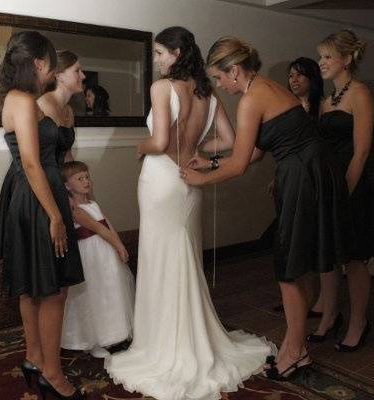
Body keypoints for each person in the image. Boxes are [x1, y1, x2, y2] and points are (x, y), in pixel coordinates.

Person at [104, 27, 274, 400]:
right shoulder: (207, 91)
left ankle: (163, 344)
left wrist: (139, 146)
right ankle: (190, 337)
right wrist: (203, 153)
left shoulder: (162, 89)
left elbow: (161, 141)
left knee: (161, 257)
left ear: (178, 52)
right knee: (183, 256)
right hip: (190, 183)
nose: (157, 60)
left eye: (161, 53)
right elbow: (229, 142)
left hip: (161, 180)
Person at [182, 36, 351, 381]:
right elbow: (256, 152)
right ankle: (296, 346)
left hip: (303, 175)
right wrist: (211, 161)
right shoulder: (265, 88)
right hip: (311, 171)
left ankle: (293, 350)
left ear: (234, 70)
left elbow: (242, 164)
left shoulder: (251, 100)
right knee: (299, 264)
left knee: (289, 267)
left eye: (219, 77)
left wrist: (199, 180)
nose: (219, 85)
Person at [0, 31, 86, 399]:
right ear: (37, 64)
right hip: (37, 198)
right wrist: (56, 216)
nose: (51, 72)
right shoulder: (20, 99)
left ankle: (34, 357)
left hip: (34, 194)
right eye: (50, 64)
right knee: (53, 290)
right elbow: (32, 162)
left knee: (34, 284)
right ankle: (52, 372)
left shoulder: (23, 99)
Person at [307, 30, 374, 352]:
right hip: (327, 184)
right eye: (320, 56)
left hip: (352, 186)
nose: (321, 62)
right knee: (329, 256)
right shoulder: (323, 101)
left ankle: (358, 322)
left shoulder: (360, 93)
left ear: (347, 59)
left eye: (328, 57)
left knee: (355, 258)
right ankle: (329, 316)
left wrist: (343, 193)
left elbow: (361, 152)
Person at [0, 50, 83, 259]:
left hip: (55, 182)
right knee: (40, 264)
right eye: (77, 70)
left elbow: (66, 155)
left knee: (59, 269)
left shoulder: (67, 110)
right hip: (37, 184)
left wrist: (72, 192)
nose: (83, 76)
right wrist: (55, 213)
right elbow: (32, 162)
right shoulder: (35, 103)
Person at [60, 161, 135, 358]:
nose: (86, 181)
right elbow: (98, 228)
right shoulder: (75, 209)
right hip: (89, 254)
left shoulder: (93, 203)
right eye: (80, 178)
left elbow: (107, 225)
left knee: (110, 289)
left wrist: (118, 244)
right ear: (67, 185)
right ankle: (91, 339)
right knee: (92, 294)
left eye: (87, 177)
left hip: (105, 253)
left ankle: (115, 333)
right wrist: (118, 245)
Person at [271, 56, 324, 314]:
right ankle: (295, 298)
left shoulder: (321, 108)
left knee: (309, 241)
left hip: (314, 178)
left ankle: (314, 299)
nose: (293, 80)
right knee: (288, 241)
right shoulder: (287, 107)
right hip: (291, 179)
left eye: (298, 75)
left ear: (311, 79)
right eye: (290, 75)